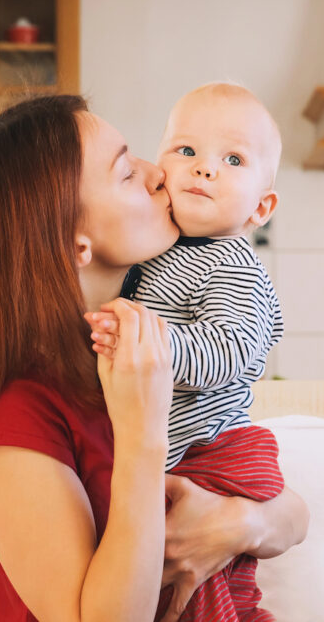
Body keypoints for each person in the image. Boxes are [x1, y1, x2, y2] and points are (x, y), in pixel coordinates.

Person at [0, 95, 308, 622]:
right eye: (126, 172)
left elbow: (291, 512)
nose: (158, 174)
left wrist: (240, 524)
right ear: (74, 243)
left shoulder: (115, 354)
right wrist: (144, 435)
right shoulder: (10, 415)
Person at [86, 83, 284, 620]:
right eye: (186, 151)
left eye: (233, 159)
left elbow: (233, 347)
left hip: (214, 452)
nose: (204, 169)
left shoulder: (231, 264)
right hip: (172, 452)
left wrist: (153, 344)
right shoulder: (158, 251)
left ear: (261, 207)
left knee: (198, 588)